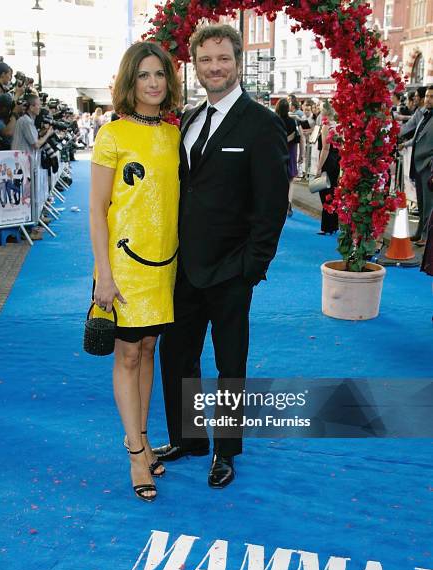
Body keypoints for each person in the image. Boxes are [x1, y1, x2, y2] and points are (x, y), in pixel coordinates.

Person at [154, 24, 288, 489]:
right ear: (195, 64)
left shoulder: (262, 122)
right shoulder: (190, 119)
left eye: (224, 59)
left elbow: (273, 205)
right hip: (183, 269)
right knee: (178, 358)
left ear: (237, 61)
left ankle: (225, 452)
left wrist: (252, 267)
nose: (215, 67)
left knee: (230, 366)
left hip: (232, 271)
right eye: (206, 60)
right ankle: (189, 439)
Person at [89, 41, 181, 502]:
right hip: (124, 266)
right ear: (130, 81)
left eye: (159, 75)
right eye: (144, 75)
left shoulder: (172, 134)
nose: (152, 83)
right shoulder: (112, 135)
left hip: (164, 263)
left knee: (147, 349)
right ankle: (133, 451)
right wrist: (103, 274)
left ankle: (143, 438)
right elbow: (96, 209)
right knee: (127, 355)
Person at [409, 85, 433, 247]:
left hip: (428, 165)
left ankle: (426, 235)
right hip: (417, 165)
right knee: (421, 203)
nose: (427, 100)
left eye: (431, 97)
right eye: (428, 96)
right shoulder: (425, 115)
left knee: (429, 204)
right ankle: (419, 232)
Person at [315, 100, 340, 235]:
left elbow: (325, 148)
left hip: (328, 160)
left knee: (325, 193)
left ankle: (327, 226)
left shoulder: (326, 126)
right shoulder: (338, 125)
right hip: (336, 160)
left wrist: (319, 167)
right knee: (333, 192)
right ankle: (333, 225)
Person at [275, 97, 298, 216]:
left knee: (278, 179)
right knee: (291, 179)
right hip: (291, 150)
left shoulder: (274, 120)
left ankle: (279, 203)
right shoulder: (292, 121)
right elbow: (296, 137)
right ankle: (289, 202)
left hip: (278, 151)